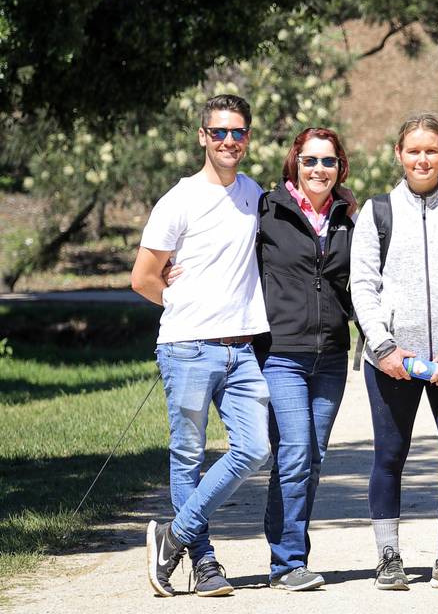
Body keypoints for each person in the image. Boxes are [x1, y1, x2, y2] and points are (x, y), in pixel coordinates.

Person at [131, 94, 271, 598]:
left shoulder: (254, 194)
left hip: (241, 349)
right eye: (219, 132)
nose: (229, 141)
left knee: (254, 449)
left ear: (247, 138)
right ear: (203, 137)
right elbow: (143, 278)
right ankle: (205, 562)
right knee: (188, 455)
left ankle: (174, 535)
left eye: (238, 132)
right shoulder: (179, 200)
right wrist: (183, 302)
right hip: (187, 347)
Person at [350, 114, 438, 594]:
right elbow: (363, 286)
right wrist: (384, 346)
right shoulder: (377, 212)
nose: (423, 159)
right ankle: (388, 557)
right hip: (392, 360)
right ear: (399, 154)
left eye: (431, 150)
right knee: (390, 455)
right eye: (413, 151)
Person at [255, 127, 355, 591]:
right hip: (281, 355)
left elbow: (357, 282)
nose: (319, 169)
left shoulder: (347, 217)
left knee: (311, 458)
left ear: (340, 167)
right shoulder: (267, 211)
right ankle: (287, 562)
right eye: (310, 160)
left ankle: (289, 554)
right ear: (294, 163)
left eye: (328, 161)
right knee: (294, 454)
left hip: (331, 357)